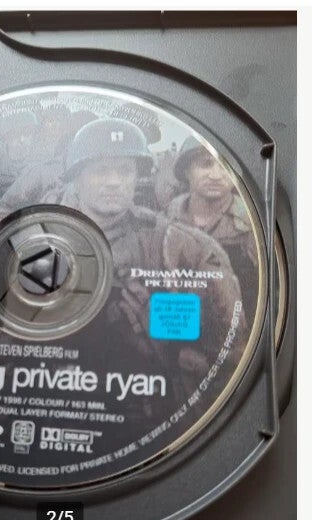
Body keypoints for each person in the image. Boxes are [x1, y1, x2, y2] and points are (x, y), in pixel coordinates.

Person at [42, 118, 245, 398]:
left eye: (125, 171)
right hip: (58, 391)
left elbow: (232, 352)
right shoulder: (42, 240)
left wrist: (167, 343)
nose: (114, 182)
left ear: (137, 177)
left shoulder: (184, 247)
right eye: (101, 171)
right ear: (76, 178)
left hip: (148, 400)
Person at [168, 136, 258, 314]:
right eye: (206, 164)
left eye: (225, 166)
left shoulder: (253, 225)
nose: (216, 175)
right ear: (186, 170)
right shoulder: (166, 219)